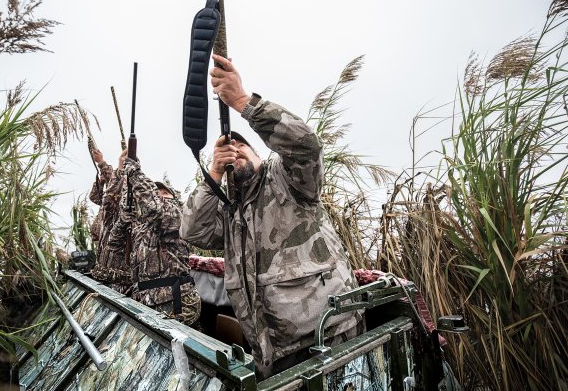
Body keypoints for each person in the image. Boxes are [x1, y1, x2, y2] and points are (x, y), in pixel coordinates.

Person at [180, 54, 363, 378]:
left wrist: (241, 102)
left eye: (241, 147)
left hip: (331, 343)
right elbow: (192, 232)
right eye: (227, 151)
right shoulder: (231, 212)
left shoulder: (285, 180)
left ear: (261, 155)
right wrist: (213, 174)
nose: (234, 151)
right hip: (272, 357)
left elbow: (306, 146)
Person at [105, 152, 201, 326]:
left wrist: (134, 172)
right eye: (157, 193)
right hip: (146, 302)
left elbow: (155, 208)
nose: (160, 195)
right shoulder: (141, 226)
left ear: (174, 198)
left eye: (165, 193)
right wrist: (122, 220)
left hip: (176, 302)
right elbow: (113, 245)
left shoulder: (177, 214)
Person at [90, 149, 132, 291]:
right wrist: (101, 182)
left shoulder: (122, 201)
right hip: (103, 256)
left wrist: (102, 162)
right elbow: (95, 197)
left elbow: (113, 192)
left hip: (116, 271)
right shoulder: (109, 202)